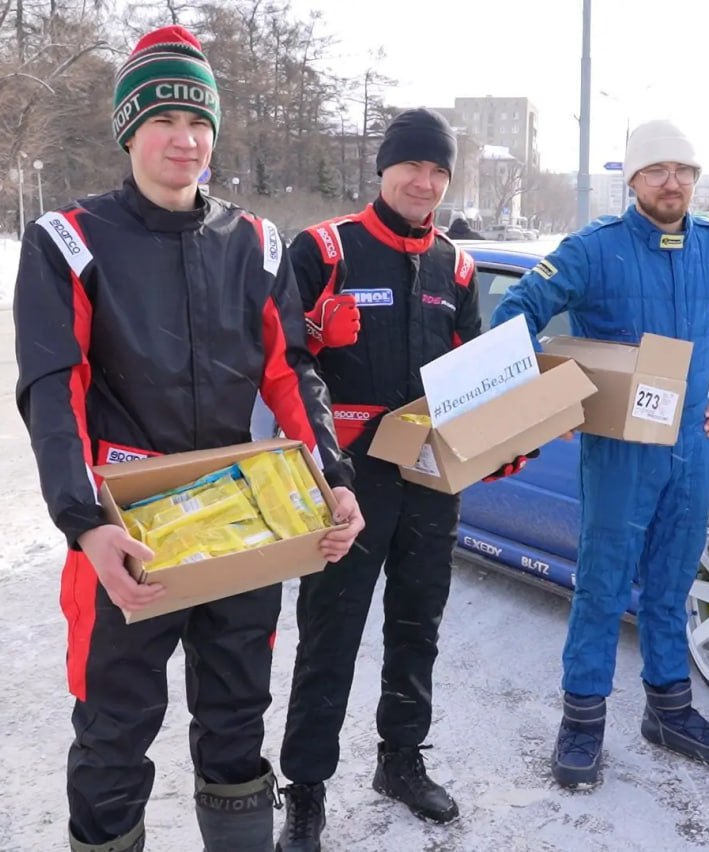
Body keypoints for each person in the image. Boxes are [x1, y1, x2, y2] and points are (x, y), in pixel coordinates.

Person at [12, 25, 364, 852]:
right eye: (166, 118)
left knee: (239, 723)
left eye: (200, 120)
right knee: (112, 733)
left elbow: (290, 373)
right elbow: (51, 390)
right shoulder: (69, 240)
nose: (187, 138)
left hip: (244, 525)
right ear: (129, 128)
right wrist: (84, 523)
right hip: (127, 534)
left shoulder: (253, 243)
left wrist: (332, 478)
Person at [491, 120, 709, 789]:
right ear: (633, 180)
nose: (672, 182)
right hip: (620, 450)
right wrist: (544, 401)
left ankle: (669, 713)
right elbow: (519, 308)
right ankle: (583, 723)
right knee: (602, 586)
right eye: (657, 170)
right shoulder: (595, 250)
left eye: (683, 170)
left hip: (692, 446)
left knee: (673, 584)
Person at [277, 107, 532, 850]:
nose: (424, 182)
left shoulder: (455, 265)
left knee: (417, 624)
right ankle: (307, 790)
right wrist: (319, 333)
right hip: (346, 482)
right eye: (411, 167)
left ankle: (400, 759)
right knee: (330, 635)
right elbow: (285, 365)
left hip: (428, 478)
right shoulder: (326, 250)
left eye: (438, 171)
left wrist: (501, 441)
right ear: (383, 170)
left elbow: (478, 375)